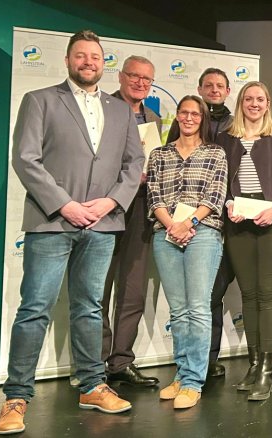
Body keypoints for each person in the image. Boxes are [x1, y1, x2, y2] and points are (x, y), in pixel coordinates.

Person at [0, 29, 143, 435]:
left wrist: (111, 202)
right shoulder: (40, 100)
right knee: (35, 308)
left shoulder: (121, 110)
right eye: (80, 55)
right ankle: (16, 397)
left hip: (102, 223)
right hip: (52, 221)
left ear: (103, 63)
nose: (88, 62)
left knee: (90, 308)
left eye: (95, 56)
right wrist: (64, 204)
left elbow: (134, 164)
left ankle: (92, 385)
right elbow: (26, 159)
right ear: (67, 60)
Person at [215, 81, 272, 401]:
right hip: (238, 221)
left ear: (267, 104)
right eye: (248, 98)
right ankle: (252, 364)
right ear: (240, 103)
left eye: (260, 99)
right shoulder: (225, 139)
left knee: (268, 293)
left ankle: (266, 367)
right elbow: (219, 180)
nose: (254, 103)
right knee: (248, 294)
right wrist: (228, 204)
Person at [147, 95, 227, 409]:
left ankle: (194, 381)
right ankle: (181, 374)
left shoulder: (215, 152)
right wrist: (172, 225)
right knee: (178, 311)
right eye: (184, 113)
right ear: (178, 116)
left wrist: (189, 222)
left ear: (202, 118)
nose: (189, 118)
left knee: (198, 308)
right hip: (166, 233)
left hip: (203, 232)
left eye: (195, 113)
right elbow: (154, 196)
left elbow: (215, 195)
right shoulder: (159, 154)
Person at [166, 67, 235, 378]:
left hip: (221, 219)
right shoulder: (178, 131)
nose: (214, 89)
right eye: (209, 85)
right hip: (179, 225)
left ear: (228, 91)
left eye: (220, 85)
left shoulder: (235, 124)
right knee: (194, 300)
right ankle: (198, 363)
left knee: (210, 294)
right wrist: (177, 222)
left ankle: (208, 360)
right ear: (200, 88)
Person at [101, 55, 161, 388]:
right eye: (134, 76)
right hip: (104, 204)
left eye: (146, 79)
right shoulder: (101, 107)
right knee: (97, 288)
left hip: (140, 207)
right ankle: (94, 365)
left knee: (133, 289)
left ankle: (121, 362)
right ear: (121, 76)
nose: (140, 83)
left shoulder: (154, 118)